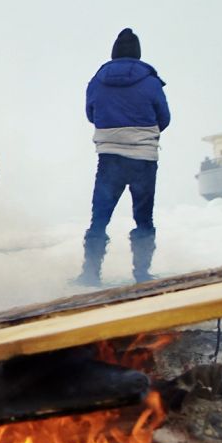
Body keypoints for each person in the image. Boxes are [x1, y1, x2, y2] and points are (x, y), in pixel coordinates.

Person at [80, 28, 170, 285]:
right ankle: (141, 274)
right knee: (143, 217)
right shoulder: (151, 82)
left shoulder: (97, 81)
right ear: (138, 54)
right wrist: (141, 134)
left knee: (99, 217)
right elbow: (164, 117)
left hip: (110, 158)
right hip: (143, 158)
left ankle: (90, 274)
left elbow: (91, 113)